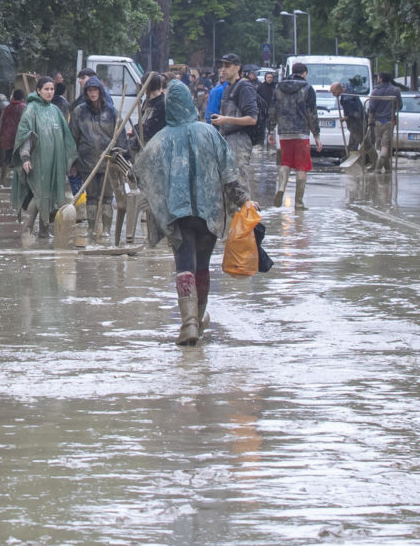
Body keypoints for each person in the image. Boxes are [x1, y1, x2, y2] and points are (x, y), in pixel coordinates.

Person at [131, 79, 248, 345]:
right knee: (203, 266)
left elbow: (141, 172)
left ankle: (189, 323)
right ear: (190, 104)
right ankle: (199, 316)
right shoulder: (210, 133)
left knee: (184, 264)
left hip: (178, 214)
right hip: (209, 214)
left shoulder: (160, 140)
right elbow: (230, 175)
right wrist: (243, 201)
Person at [13, 76, 73, 241]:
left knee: (52, 193)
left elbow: (65, 135)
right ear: (38, 90)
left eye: (52, 89)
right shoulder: (31, 109)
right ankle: (27, 229)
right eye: (46, 89)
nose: (49, 92)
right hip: (38, 160)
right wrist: (25, 157)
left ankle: (45, 231)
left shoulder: (55, 110)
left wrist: (68, 160)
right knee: (39, 194)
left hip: (55, 162)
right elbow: (25, 135)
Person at [209, 54, 262, 186]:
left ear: (238, 67)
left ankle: (245, 207)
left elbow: (252, 119)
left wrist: (226, 120)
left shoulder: (245, 88)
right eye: (222, 66)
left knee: (239, 183)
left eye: (227, 66)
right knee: (227, 184)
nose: (223, 69)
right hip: (226, 139)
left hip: (240, 140)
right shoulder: (227, 88)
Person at [69, 74, 122, 204]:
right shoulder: (79, 112)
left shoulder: (111, 112)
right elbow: (72, 138)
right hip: (87, 162)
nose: (92, 93)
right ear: (86, 92)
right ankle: (92, 225)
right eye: (89, 90)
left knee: (107, 198)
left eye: (95, 89)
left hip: (108, 162)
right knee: (91, 198)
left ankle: (104, 225)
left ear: (100, 90)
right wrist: (71, 162)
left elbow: (120, 137)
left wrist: (123, 159)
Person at [276, 62, 321, 204]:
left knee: (285, 162)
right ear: (304, 74)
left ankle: (281, 188)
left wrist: (271, 130)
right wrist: (316, 135)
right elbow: (311, 114)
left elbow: (272, 109)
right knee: (302, 167)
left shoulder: (279, 87)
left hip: (284, 132)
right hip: (301, 133)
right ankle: (299, 202)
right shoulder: (308, 89)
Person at [368, 71, 404, 173]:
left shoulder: (375, 92)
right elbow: (400, 106)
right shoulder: (395, 90)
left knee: (381, 146)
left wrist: (370, 123)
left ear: (381, 79)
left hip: (377, 122)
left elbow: (371, 109)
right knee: (385, 145)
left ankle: (377, 169)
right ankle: (388, 170)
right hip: (389, 122)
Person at [331, 81, 366, 163]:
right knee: (362, 143)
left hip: (358, 124)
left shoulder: (348, 99)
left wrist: (346, 117)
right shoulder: (346, 94)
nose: (333, 94)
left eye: (333, 92)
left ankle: (355, 161)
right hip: (356, 123)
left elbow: (356, 114)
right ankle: (353, 159)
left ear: (338, 90)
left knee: (355, 144)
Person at [0, 87, 28, 177]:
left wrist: (0, 134)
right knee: (19, 158)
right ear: (22, 97)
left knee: (7, 157)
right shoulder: (24, 107)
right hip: (19, 137)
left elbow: (3, 121)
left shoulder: (8, 107)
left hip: (7, 136)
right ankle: (17, 177)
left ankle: (3, 176)